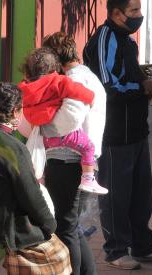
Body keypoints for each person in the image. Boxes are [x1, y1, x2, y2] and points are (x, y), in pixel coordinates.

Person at [83, 0, 152, 270]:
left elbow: (129, 77)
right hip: (114, 133)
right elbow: (107, 86)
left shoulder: (126, 40)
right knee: (116, 195)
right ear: (116, 13)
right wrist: (142, 88)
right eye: (133, 11)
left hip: (136, 130)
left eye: (139, 10)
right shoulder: (105, 39)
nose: (139, 16)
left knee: (140, 193)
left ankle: (143, 245)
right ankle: (116, 250)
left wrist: (151, 85)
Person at [0, 82, 72, 274]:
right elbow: (31, 195)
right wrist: (49, 225)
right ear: (16, 112)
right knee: (59, 253)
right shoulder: (12, 146)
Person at [41, 32, 108, 275]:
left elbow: (69, 120)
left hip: (68, 159)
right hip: (82, 160)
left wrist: (43, 120)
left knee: (66, 228)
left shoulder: (73, 81)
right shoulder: (86, 76)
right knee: (72, 227)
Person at [18, 48, 107, 195]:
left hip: (42, 136)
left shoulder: (23, 89)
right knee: (88, 147)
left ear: (27, 72)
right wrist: (91, 98)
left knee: (37, 159)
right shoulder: (58, 81)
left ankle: (40, 183)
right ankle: (88, 178)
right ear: (54, 69)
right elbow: (77, 91)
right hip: (65, 136)